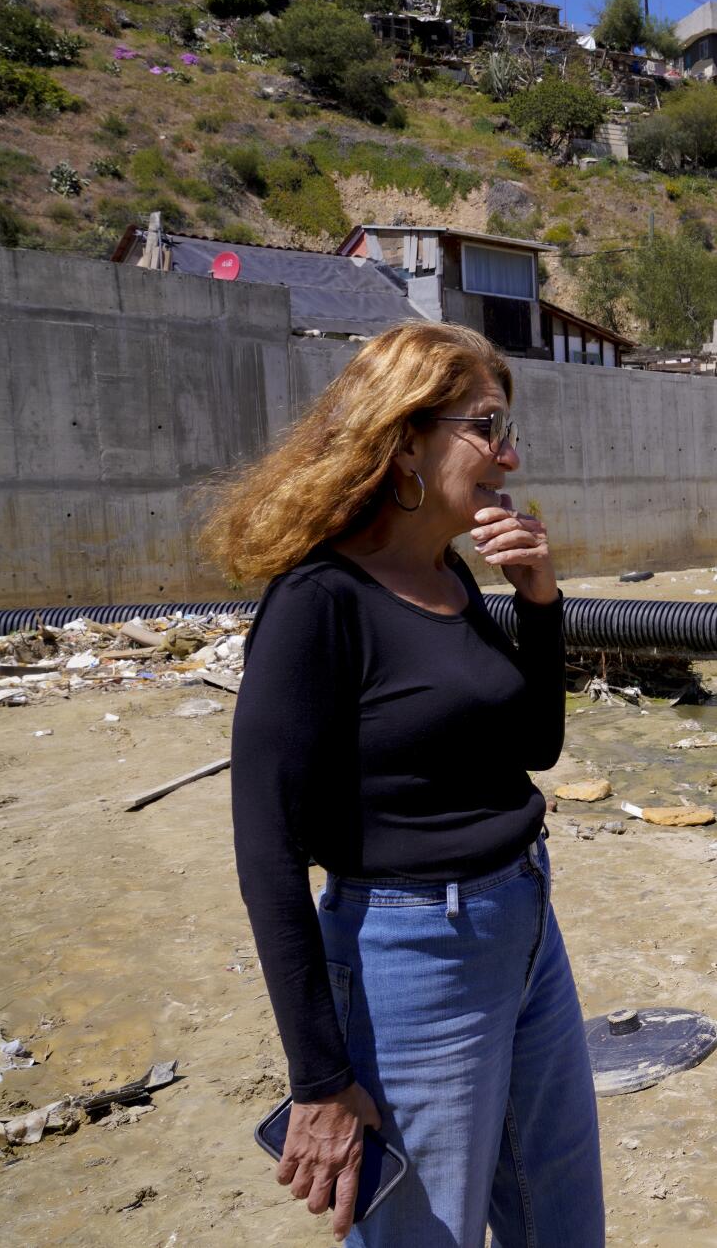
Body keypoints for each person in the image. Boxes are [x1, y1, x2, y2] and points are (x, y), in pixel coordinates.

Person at [207, 322, 604, 1245]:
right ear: (406, 440)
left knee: (561, 1223)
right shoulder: (319, 602)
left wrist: (539, 600)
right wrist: (318, 1079)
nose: (511, 454)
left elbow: (534, 748)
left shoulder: (452, 576)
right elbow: (267, 852)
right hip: (411, 957)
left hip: (527, 926)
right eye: (489, 426)